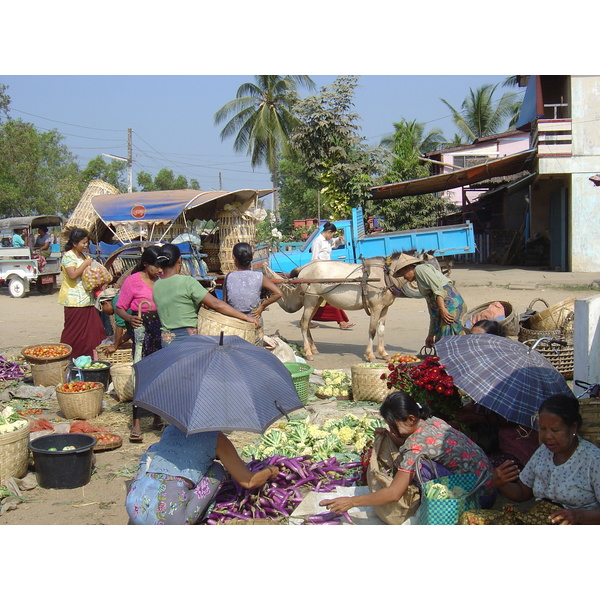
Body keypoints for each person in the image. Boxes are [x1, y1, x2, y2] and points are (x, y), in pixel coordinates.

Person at [319, 391, 495, 514]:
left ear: (411, 419)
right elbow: (408, 436)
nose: (391, 430)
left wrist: (352, 501)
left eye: (393, 425)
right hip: (491, 485)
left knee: (420, 467)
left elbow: (394, 493)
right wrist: (390, 435)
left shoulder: (416, 446)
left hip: (479, 497)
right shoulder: (430, 421)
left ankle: (447, 506)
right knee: (413, 462)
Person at [125, 424, 280, 525]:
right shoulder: (217, 438)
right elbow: (249, 482)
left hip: (134, 507)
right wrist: (270, 471)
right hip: (167, 519)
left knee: (154, 449)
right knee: (217, 470)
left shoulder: (170, 428)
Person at [492, 393, 600, 524]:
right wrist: (501, 484)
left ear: (573, 428)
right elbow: (522, 493)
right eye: (543, 429)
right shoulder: (543, 452)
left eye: (555, 430)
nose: (548, 436)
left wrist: (579, 516)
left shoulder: (593, 459)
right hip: (538, 520)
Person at [152, 243, 260, 345]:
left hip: (166, 339)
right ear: (180, 260)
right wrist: (246, 318)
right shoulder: (187, 282)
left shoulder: (156, 285)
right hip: (188, 338)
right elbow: (216, 304)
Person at [115, 246, 164, 442]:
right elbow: (119, 308)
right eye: (156, 266)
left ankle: (157, 417)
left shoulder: (161, 282)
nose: (160, 270)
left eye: (161, 266)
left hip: (159, 328)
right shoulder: (132, 282)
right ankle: (136, 422)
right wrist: (130, 318)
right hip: (142, 330)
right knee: (141, 373)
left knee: (159, 372)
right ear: (145, 264)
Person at [393, 253, 466, 348]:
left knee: (448, 336)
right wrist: (431, 335)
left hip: (450, 302)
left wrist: (443, 309)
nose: (405, 278)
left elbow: (438, 289)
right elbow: (433, 312)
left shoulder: (420, 269)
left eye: (404, 274)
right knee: (440, 338)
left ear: (409, 268)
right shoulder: (420, 280)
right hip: (442, 305)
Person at [57, 228, 106, 359]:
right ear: (74, 243)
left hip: (87, 300)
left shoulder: (84, 256)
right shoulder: (69, 256)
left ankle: (91, 359)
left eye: (87, 243)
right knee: (73, 334)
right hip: (74, 302)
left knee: (95, 332)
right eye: (83, 243)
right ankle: (65, 358)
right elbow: (72, 274)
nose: (85, 246)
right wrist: (85, 263)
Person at [223, 242, 282, 346]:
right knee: (255, 353)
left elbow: (225, 304)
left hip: (234, 321)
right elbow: (278, 293)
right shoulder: (259, 276)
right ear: (251, 258)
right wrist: (262, 306)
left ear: (234, 258)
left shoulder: (228, 277)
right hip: (254, 320)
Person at [309, 222, 355, 330]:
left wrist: (339, 239)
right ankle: (342, 322)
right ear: (329, 232)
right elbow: (314, 259)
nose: (332, 236)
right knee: (331, 298)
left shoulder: (328, 240)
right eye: (332, 234)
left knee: (326, 300)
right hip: (321, 273)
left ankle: (309, 319)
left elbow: (334, 244)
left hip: (328, 271)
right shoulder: (317, 242)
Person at [95, 287, 131, 354]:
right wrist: (115, 344)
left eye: (102, 308)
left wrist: (115, 347)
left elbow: (119, 326)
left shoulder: (116, 301)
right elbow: (129, 333)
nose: (105, 312)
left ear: (105, 303)